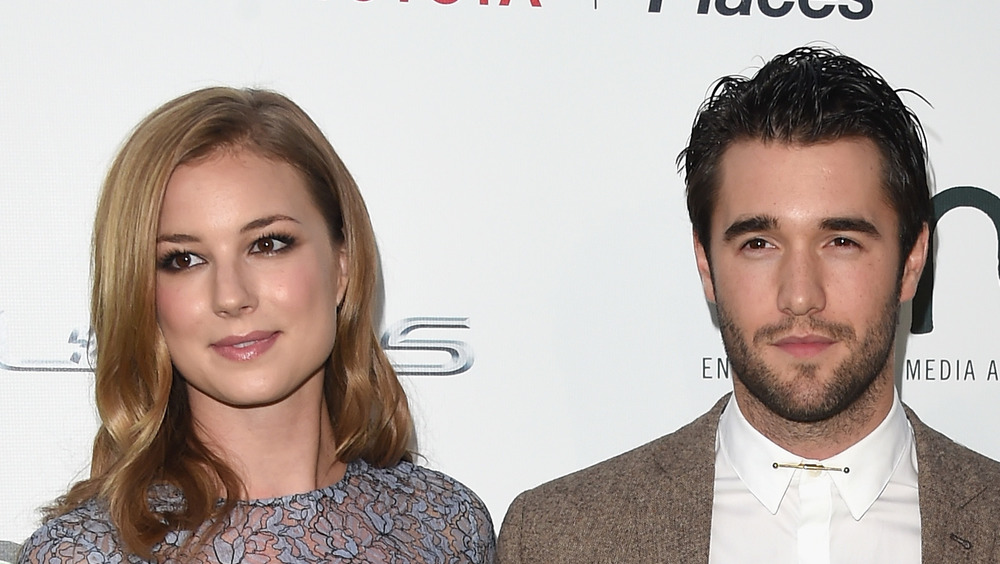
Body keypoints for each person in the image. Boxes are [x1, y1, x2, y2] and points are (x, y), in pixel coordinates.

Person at [497, 47, 1000, 563]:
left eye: (842, 241)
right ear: (706, 265)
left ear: (912, 260)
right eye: (759, 244)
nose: (801, 295)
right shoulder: (556, 540)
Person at [18, 87, 495, 563]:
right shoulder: (84, 553)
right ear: (143, 297)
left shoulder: (445, 524)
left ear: (342, 267)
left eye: (268, 244)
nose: (231, 296)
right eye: (184, 259)